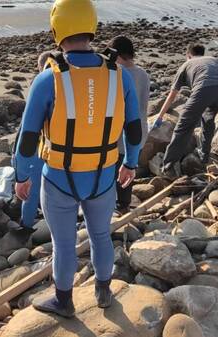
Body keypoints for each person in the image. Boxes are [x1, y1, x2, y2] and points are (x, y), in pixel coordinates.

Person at [13, 0, 143, 317]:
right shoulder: (119, 75)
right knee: (101, 235)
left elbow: (27, 139)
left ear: (56, 29)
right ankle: (103, 291)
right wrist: (131, 163)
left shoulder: (47, 79)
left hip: (59, 178)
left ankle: (64, 300)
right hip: (102, 176)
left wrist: (21, 176)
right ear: (91, 26)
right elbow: (135, 128)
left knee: (63, 244)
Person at [154, 43, 218, 177]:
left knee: (183, 127)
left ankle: (168, 166)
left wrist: (160, 116)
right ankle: (204, 157)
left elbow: (172, 95)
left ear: (188, 55)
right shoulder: (215, 60)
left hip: (203, 89)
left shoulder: (186, 64)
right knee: (209, 123)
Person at [11, 51, 54, 233]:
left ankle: (27, 225)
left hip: (41, 147)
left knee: (32, 187)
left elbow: (28, 129)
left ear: (40, 66)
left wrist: (19, 168)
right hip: (63, 149)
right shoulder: (70, 83)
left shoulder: (41, 84)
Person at [107, 35, 150, 210]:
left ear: (117, 53)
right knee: (129, 167)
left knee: (113, 170)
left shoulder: (116, 75)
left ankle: (114, 204)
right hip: (141, 128)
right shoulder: (143, 74)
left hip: (121, 132)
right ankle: (123, 204)